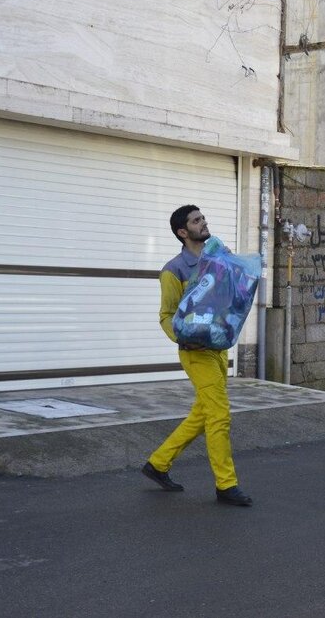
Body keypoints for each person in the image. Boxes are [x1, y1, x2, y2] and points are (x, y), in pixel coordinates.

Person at [141, 205, 253, 507]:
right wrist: (182, 337)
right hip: (195, 353)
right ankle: (226, 485)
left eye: (203, 218)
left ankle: (158, 464)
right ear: (183, 232)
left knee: (202, 414)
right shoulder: (173, 270)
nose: (204, 223)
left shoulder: (216, 257)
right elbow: (166, 314)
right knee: (219, 415)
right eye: (196, 220)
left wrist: (233, 265)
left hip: (218, 348)